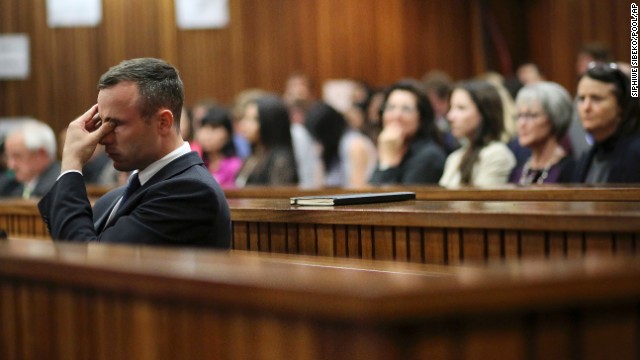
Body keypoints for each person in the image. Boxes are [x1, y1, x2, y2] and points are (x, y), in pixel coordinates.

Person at [38, 58, 231, 248]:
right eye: (102, 123)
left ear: (163, 122)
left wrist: (72, 163)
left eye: (115, 124)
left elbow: (86, 264)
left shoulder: (191, 193)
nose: (103, 138)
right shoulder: (113, 199)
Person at [439, 80, 516, 188]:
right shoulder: (455, 157)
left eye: (461, 108)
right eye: (451, 108)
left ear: (484, 112)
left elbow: (481, 203)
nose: (450, 116)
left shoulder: (496, 155)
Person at [573, 62, 640, 183]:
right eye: (582, 99)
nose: (586, 107)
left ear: (621, 105)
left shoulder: (636, 154)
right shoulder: (586, 157)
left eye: (596, 99)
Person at [369, 81, 446, 185]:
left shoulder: (430, 156)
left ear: (421, 118)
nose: (396, 115)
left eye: (406, 109)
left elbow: (397, 199)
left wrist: (388, 162)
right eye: (390, 108)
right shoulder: (392, 146)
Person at [509, 82, 576, 185]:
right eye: (519, 116)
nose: (522, 123)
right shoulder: (517, 170)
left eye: (531, 115)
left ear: (555, 118)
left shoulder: (570, 169)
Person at [305, 102, 377, 188]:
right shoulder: (330, 148)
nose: (318, 142)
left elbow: (358, 188)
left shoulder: (355, 145)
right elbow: (319, 185)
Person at [235, 95, 299, 186]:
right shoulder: (255, 154)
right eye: (245, 118)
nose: (243, 124)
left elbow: (277, 198)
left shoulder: (280, 159)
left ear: (269, 122)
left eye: (253, 119)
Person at [3, 120, 61, 198]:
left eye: (17, 156)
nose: (11, 165)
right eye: (8, 157)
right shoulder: (11, 187)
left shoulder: (58, 188)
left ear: (41, 155)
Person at [194, 106, 243, 187]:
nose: (207, 135)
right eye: (204, 128)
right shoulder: (198, 164)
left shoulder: (235, 165)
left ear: (228, 134)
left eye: (214, 128)